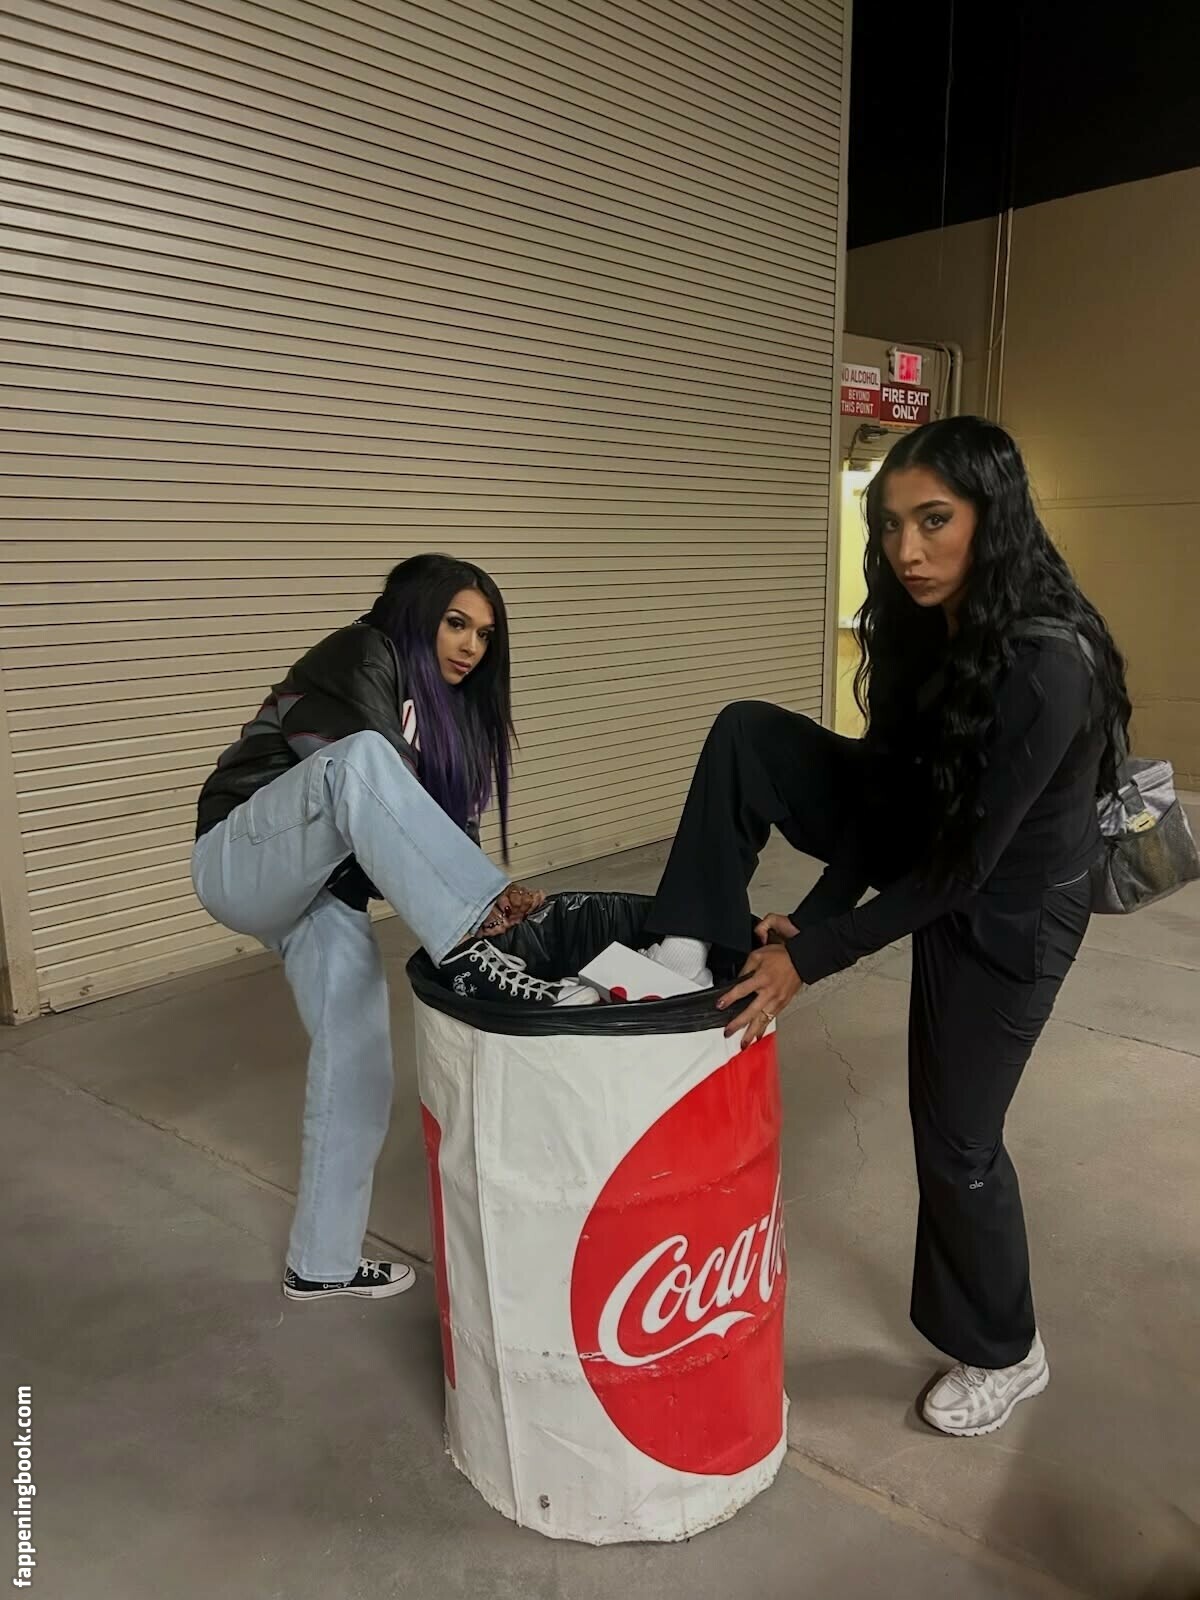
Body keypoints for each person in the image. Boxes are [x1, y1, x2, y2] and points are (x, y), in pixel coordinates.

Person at [644, 417, 1130, 1437]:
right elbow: (891, 804)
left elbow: (958, 870)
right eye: (892, 525)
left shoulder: (1050, 662)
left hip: (1011, 912)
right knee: (748, 733)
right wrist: (814, 917)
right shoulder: (926, 624)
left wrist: (811, 959)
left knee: (958, 1139)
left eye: (935, 521)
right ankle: (680, 953)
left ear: (993, 516)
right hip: (944, 845)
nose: (909, 550)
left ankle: (1009, 1350)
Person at [192, 554, 593, 1306]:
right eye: (456, 623)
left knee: (361, 1060)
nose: (471, 646)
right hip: (241, 854)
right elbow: (361, 783)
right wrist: (471, 912)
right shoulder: (360, 653)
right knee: (362, 762)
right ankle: (468, 947)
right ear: (418, 613)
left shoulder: (448, 714)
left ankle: (322, 1263)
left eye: (485, 635)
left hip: (320, 891)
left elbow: (433, 836)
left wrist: (504, 923)